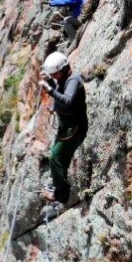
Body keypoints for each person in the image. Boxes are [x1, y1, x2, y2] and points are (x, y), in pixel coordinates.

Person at [38, 52, 88, 203]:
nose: (54, 77)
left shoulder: (73, 80)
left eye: (55, 74)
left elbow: (67, 100)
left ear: (63, 69)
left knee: (55, 157)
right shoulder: (64, 78)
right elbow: (60, 90)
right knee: (61, 158)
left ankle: (62, 192)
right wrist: (50, 82)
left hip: (74, 127)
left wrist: (50, 90)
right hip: (67, 126)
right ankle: (59, 189)